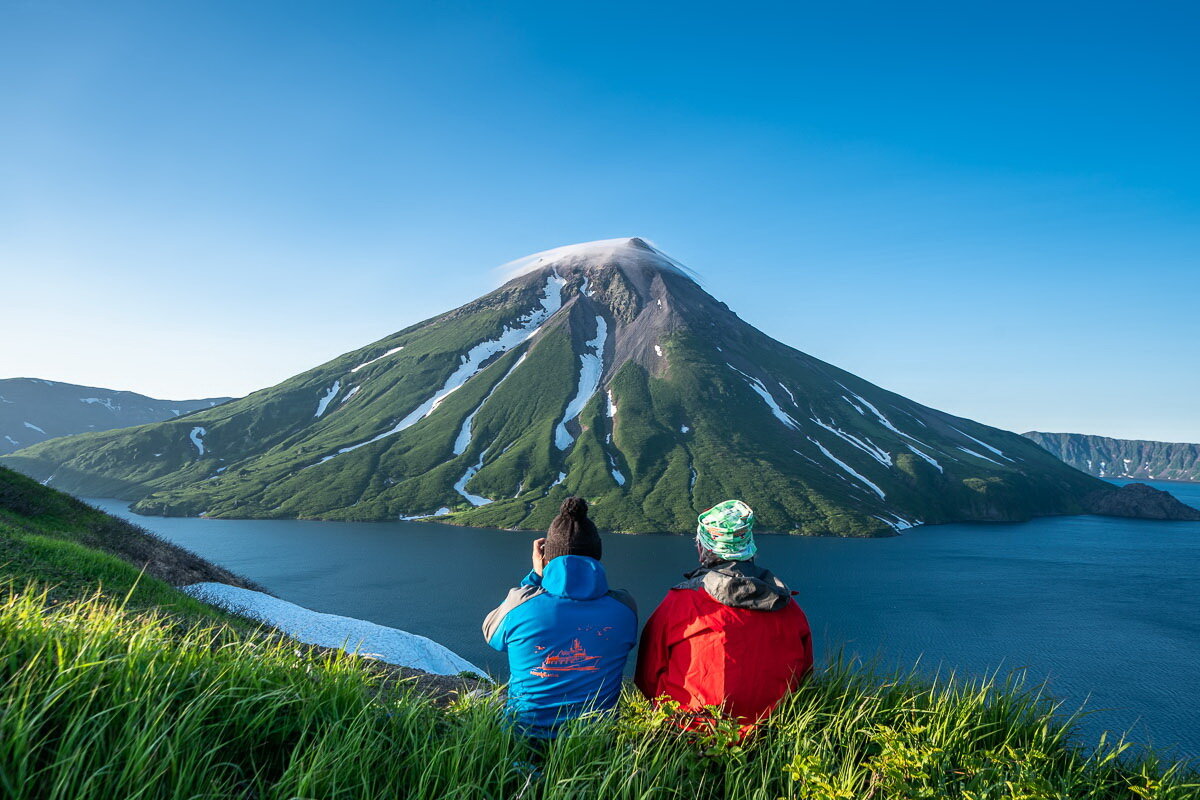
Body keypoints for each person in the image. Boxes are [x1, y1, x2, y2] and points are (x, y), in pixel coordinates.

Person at [635, 499, 813, 736]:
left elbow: (647, 678)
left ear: (703, 549)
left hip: (689, 732)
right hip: (769, 732)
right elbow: (805, 674)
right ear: (749, 547)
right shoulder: (788, 607)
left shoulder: (681, 602)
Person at [483, 496, 637, 740]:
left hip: (522, 737)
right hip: (596, 741)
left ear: (545, 556)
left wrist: (534, 577)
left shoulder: (521, 604)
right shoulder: (625, 606)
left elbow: (491, 635)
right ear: (597, 555)